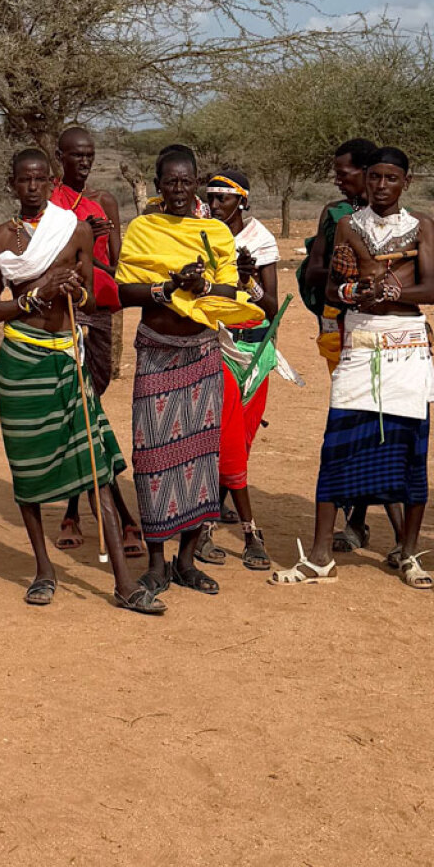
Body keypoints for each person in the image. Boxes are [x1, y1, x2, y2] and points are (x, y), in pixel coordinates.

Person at [0, 147, 142, 611]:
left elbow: (91, 297)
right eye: (22, 180)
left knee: (97, 467)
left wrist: (75, 288)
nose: (31, 187)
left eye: (39, 180)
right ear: (12, 184)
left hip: (68, 356)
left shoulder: (75, 229)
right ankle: (44, 569)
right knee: (27, 468)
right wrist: (37, 296)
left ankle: (124, 583)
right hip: (21, 360)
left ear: (51, 182)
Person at [116, 144, 260, 598]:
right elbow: (123, 290)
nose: (178, 190)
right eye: (170, 181)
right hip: (157, 352)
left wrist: (201, 285)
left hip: (202, 353)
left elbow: (230, 287)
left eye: (186, 181)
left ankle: (186, 561)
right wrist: (167, 286)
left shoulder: (215, 232)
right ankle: (157, 562)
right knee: (154, 457)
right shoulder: (142, 229)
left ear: (196, 182)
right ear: (157, 185)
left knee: (201, 458)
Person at [294, 147, 434, 587]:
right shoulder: (346, 225)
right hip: (358, 340)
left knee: (411, 451)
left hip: (407, 348)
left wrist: (391, 291)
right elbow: (335, 288)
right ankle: (320, 556)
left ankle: (410, 554)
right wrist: (360, 288)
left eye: (390, 178)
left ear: (405, 183)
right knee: (337, 443)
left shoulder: (422, 226)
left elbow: (431, 289)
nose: (380, 186)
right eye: (374, 177)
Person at [48, 123, 140, 563]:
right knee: (83, 409)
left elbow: (117, 260)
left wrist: (104, 229)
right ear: (60, 157)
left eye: (89, 154)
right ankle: (111, 515)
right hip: (66, 309)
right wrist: (78, 231)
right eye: (75, 155)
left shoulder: (105, 201)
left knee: (92, 402)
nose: (83, 161)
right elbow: (45, 256)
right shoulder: (49, 202)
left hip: (101, 312)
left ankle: (74, 509)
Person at [297, 135, 383, 547]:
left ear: (366, 173)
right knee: (352, 416)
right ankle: (353, 516)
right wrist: (340, 267)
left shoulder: (396, 218)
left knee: (377, 419)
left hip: (386, 330)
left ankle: (359, 518)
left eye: (342, 173)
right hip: (340, 326)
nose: (337, 181)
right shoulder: (335, 214)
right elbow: (314, 272)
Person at [204, 167, 289, 571]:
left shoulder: (260, 239)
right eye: (212, 197)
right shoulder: (203, 234)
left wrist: (249, 280)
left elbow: (271, 305)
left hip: (257, 351)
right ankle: (251, 532)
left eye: (223, 198)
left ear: (243, 200)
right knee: (229, 439)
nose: (215, 205)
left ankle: (208, 518)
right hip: (219, 345)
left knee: (243, 440)